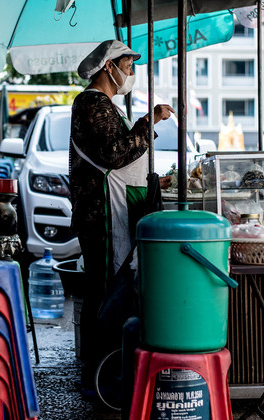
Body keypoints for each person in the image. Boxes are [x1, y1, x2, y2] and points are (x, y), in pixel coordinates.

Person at [69, 39, 174, 394]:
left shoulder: (107, 105)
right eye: (127, 66)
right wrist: (149, 120)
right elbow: (115, 154)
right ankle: (98, 374)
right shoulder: (91, 102)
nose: (131, 72)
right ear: (107, 67)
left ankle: (106, 367)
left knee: (108, 288)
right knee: (103, 290)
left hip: (106, 209)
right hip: (100, 213)